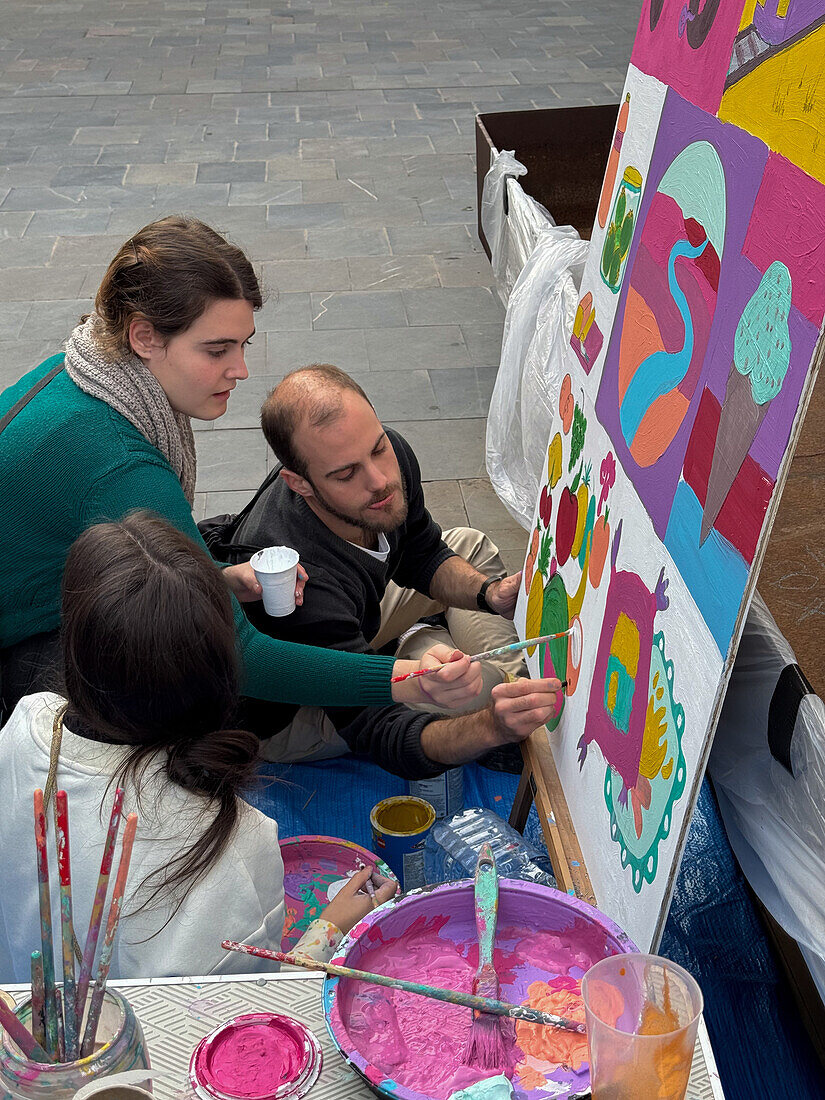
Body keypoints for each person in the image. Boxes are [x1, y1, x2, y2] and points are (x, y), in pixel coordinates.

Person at [0, 216, 481, 725]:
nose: (241, 369)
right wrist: (404, 681)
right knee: (183, 691)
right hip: (27, 661)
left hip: (45, 614)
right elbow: (241, 658)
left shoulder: (81, 369)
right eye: (217, 349)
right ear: (143, 336)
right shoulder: (119, 462)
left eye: (243, 343)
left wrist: (219, 578)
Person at [0, 513, 397, 983]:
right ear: (222, 673)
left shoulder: (29, 721)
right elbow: (246, 1016)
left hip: (25, 1013)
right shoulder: (232, 844)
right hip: (144, 1051)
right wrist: (329, 930)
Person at [217, 364, 562, 776]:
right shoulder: (300, 588)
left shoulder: (387, 460)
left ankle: (463, 660)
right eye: (346, 473)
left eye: (378, 447)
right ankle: (505, 696)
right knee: (482, 692)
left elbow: (420, 550)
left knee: (470, 546)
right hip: (290, 710)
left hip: (352, 622)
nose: (380, 481)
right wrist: (491, 727)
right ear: (299, 484)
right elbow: (379, 729)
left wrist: (487, 594)